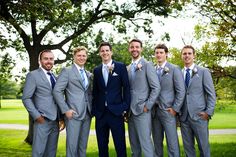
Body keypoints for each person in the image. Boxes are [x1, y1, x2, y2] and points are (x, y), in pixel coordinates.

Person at [22, 49, 64, 157]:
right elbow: (26, 98)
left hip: (55, 122)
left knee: (51, 153)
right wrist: (37, 116)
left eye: (51, 59)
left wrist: (61, 118)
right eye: (46, 59)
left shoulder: (55, 77)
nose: (49, 61)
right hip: (42, 121)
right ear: (40, 60)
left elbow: (57, 98)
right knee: (38, 152)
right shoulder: (33, 75)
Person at [92, 42, 131, 157]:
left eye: (107, 50)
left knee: (120, 145)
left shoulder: (120, 66)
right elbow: (96, 92)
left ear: (111, 52)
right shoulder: (97, 70)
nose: (105, 53)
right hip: (101, 114)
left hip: (116, 112)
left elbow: (126, 87)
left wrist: (125, 106)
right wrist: (95, 109)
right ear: (100, 53)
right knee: (102, 146)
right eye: (102, 51)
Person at [53, 46, 93, 157]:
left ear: (86, 57)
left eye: (84, 55)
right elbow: (57, 91)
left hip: (87, 113)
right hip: (73, 114)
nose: (81, 58)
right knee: (72, 147)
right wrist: (65, 110)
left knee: (82, 146)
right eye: (79, 55)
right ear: (74, 57)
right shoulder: (67, 71)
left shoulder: (88, 74)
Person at [180, 45, 216, 157]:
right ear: (181, 56)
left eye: (189, 53)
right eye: (184, 53)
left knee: (203, 148)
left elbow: (211, 94)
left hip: (200, 116)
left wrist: (208, 112)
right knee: (188, 150)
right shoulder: (179, 73)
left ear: (194, 56)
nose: (187, 56)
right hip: (184, 117)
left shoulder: (203, 71)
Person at [127, 39, 161, 157]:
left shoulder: (147, 65)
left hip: (143, 110)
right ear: (129, 49)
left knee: (145, 143)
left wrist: (148, 106)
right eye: (132, 47)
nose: (134, 49)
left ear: (141, 49)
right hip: (130, 112)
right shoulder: (127, 68)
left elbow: (156, 88)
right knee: (134, 145)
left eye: (137, 47)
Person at [151, 44, 185, 157]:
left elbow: (181, 91)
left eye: (161, 52)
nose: (159, 55)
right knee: (157, 143)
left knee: (172, 143)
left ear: (166, 54)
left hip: (169, 111)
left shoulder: (174, 69)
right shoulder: (152, 69)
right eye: (157, 53)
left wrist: (175, 109)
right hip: (154, 112)